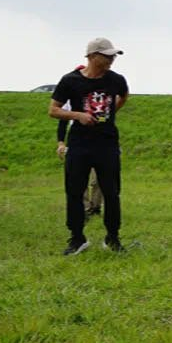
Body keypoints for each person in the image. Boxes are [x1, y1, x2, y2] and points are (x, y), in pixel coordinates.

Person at [49, 38, 129, 255]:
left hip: (107, 144)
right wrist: (79, 115)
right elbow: (53, 110)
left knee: (112, 193)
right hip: (79, 144)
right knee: (74, 192)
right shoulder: (70, 80)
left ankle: (112, 238)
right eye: (107, 55)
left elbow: (124, 97)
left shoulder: (116, 80)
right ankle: (77, 239)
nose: (112, 59)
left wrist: (110, 113)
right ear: (92, 56)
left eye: (114, 55)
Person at [56, 64, 102, 219]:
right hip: (77, 142)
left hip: (99, 142)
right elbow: (62, 122)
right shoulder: (68, 102)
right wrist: (61, 142)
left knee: (98, 179)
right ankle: (83, 208)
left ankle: (95, 207)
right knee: (78, 179)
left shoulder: (98, 99)